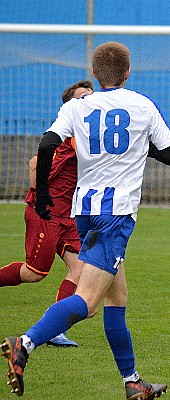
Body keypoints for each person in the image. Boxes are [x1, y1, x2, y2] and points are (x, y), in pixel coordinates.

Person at [1, 41, 170, 399]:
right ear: (128, 72)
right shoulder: (142, 104)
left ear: (96, 74)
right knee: (88, 301)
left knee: (117, 300)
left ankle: (132, 383)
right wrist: (138, 142)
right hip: (115, 215)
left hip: (83, 211)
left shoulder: (77, 105)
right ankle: (23, 343)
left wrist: (45, 194)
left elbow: (47, 143)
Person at [0, 80, 94, 347]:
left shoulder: (85, 134)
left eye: (91, 96)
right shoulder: (69, 136)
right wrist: (39, 195)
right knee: (35, 273)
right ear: (70, 106)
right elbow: (35, 162)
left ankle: (55, 330)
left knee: (81, 270)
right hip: (48, 214)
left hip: (70, 217)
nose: (88, 100)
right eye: (82, 97)